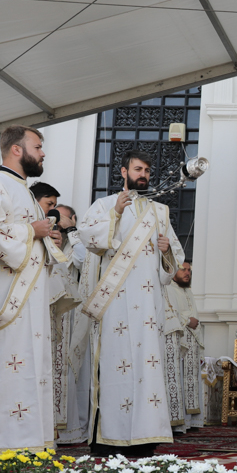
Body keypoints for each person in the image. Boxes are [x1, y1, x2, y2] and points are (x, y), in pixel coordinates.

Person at [0, 126, 63, 453]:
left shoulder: (25, 192)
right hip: (3, 305)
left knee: (30, 376)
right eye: (38, 146)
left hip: (29, 312)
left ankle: (28, 447)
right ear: (17, 150)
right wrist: (30, 230)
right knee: (4, 378)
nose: (43, 153)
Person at [80, 150, 185, 456]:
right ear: (123, 172)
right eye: (138, 169)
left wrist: (166, 252)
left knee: (147, 368)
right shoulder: (103, 205)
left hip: (149, 305)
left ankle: (145, 437)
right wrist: (114, 213)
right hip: (115, 303)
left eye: (147, 171)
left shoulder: (159, 212)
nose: (144, 175)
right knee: (114, 366)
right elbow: (88, 239)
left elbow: (174, 263)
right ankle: (106, 438)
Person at [51, 204, 93, 444]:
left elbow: (84, 261)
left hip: (75, 319)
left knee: (74, 372)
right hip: (54, 315)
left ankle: (74, 430)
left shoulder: (81, 241)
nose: (58, 221)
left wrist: (73, 231)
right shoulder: (50, 237)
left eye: (62, 216)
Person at [163, 260, 204, 432]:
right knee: (178, 379)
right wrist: (187, 320)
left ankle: (191, 421)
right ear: (172, 271)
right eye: (183, 270)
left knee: (191, 379)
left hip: (192, 339)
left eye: (189, 270)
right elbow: (169, 313)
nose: (187, 273)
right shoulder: (167, 289)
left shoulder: (189, 292)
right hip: (179, 340)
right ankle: (179, 424)